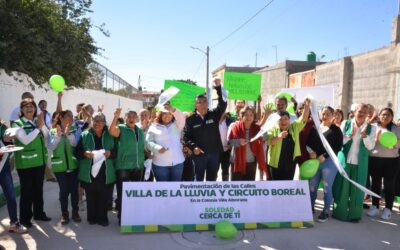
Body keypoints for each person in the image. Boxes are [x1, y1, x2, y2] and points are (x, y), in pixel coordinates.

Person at [332, 103, 376, 223]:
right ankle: (339, 213)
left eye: (364, 112)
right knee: (342, 187)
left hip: (360, 162)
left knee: (357, 189)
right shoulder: (345, 123)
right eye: (359, 111)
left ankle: (354, 215)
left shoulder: (372, 128)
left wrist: (365, 137)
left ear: (368, 114)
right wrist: (348, 136)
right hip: (345, 160)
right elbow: (339, 142)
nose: (361, 114)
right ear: (354, 112)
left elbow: (371, 146)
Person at [12, 98, 51, 228]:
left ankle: (39, 214)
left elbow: (47, 136)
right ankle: (25, 219)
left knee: (38, 190)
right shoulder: (17, 124)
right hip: (25, 164)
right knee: (27, 192)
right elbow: (25, 140)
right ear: (22, 110)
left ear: (35, 109)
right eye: (26, 106)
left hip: (39, 162)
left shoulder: (37, 121)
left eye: (32, 106)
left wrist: (42, 126)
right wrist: (38, 128)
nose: (29, 108)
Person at [75, 112, 116, 226]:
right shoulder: (85, 134)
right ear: (91, 122)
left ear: (104, 122)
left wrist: (110, 153)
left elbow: (117, 151)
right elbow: (77, 152)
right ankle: (92, 218)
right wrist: (84, 153)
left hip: (106, 171)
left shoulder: (110, 134)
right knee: (91, 194)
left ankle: (102, 218)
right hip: (89, 170)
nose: (97, 123)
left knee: (104, 195)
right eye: (95, 120)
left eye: (100, 121)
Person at [183, 78, 227, 181]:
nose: (203, 104)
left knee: (212, 180)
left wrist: (218, 87)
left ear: (208, 103)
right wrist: (193, 148)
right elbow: (185, 137)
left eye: (205, 101)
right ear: (195, 105)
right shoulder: (190, 120)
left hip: (214, 154)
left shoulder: (214, 115)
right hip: (199, 156)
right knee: (198, 181)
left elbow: (223, 104)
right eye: (200, 102)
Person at [109, 109, 145, 223]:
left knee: (135, 194)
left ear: (136, 119)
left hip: (138, 166)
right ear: (125, 118)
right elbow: (111, 132)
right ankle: (122, 217)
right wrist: (115, 116)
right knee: (122, 193)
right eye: (129, 116)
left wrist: (148, 155)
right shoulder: (122, 128)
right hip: (123, 166)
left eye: (134, 116)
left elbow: (140, 147)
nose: (131, 118)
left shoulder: (140, 131)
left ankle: (134, 216)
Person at [309, 106, 343, 222]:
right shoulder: (315, 128)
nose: (325, 116)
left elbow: (338, 146)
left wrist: (325, 156)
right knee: (312, 186)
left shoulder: (336, 130)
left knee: (327, 188)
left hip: (329, 163)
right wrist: (311, 152)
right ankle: (310, 208)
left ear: (333, 116)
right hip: (315, 163)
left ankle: (326, 211)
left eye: (328, 114)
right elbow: (308, 143)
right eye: (323, 113)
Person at [47, 110, 81, 225]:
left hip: (73, 166)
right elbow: (51, 146)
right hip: (60, 167)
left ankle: (75, 212)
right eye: (68, 116)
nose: (71, 119)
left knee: (74, 191)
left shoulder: (75, 130)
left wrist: (68, 134)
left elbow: (75, 144)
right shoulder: (52, 131)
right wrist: (58, 135)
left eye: (72, 116)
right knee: (64, 191)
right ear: (61, 118)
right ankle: (64, 214)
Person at [366, 108, 400, 220]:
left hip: (391, 161)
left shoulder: (396, 129)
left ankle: (388, 209)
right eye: (383, 114)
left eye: (388, 115)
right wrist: (376, 139)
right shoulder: (373, 127)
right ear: (379, 116)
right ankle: (375, 206)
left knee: (389, 185)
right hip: (375, 160)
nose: (385, 117)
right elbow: (367, 143)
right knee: (375, 184)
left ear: (392, 117)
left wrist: (392, 144)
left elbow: (399, 144)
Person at [266, 98, 310, 180]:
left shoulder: (294, 127)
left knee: (287, 185)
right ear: (277, 121)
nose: (283, 121)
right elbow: (269, 141)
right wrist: (279, 137)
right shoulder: (272, 128)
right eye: (280, 119)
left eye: (286, 119)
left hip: (290, 163)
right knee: (275, 187)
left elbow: (303, 119)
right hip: (275, 163)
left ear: (289, 120)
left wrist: (307, 106)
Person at [0, 120, 28, 233]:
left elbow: (6, 148)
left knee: (11, 196)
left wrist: (7, 144)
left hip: (3, 167)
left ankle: (14, 223)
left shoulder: (3, 127)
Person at [145, 104, 185, 181]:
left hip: (178, 163)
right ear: (160, 115)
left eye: (170, 114)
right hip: (160, 164)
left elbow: (182, 118)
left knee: (175, 188)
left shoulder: (176, 125)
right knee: (163, 188)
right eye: (164, 114)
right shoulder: (153, 127)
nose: (167, 116)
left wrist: (173, 109)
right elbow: (148, 142)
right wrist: (157, 148)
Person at [228, 106, 267, 181]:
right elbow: (230, 142)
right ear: (242, 116)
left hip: (251, 163)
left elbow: (264, 138)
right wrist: (239, 142)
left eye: (251, 115)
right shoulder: (235, 126)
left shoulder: (257, 128)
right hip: (236, 162)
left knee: (249, 187)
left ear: (254, 117)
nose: (248, 117)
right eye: (246, 114)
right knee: (236, 187)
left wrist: (264, 129)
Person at [219, 112, 232, 181]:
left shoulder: (229, 121)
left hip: (226, 151)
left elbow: (233, 134)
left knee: (225, 170)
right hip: (216, 151)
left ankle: (225, 185)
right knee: (214, 171)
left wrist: (231, 144)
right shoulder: (214, 120)